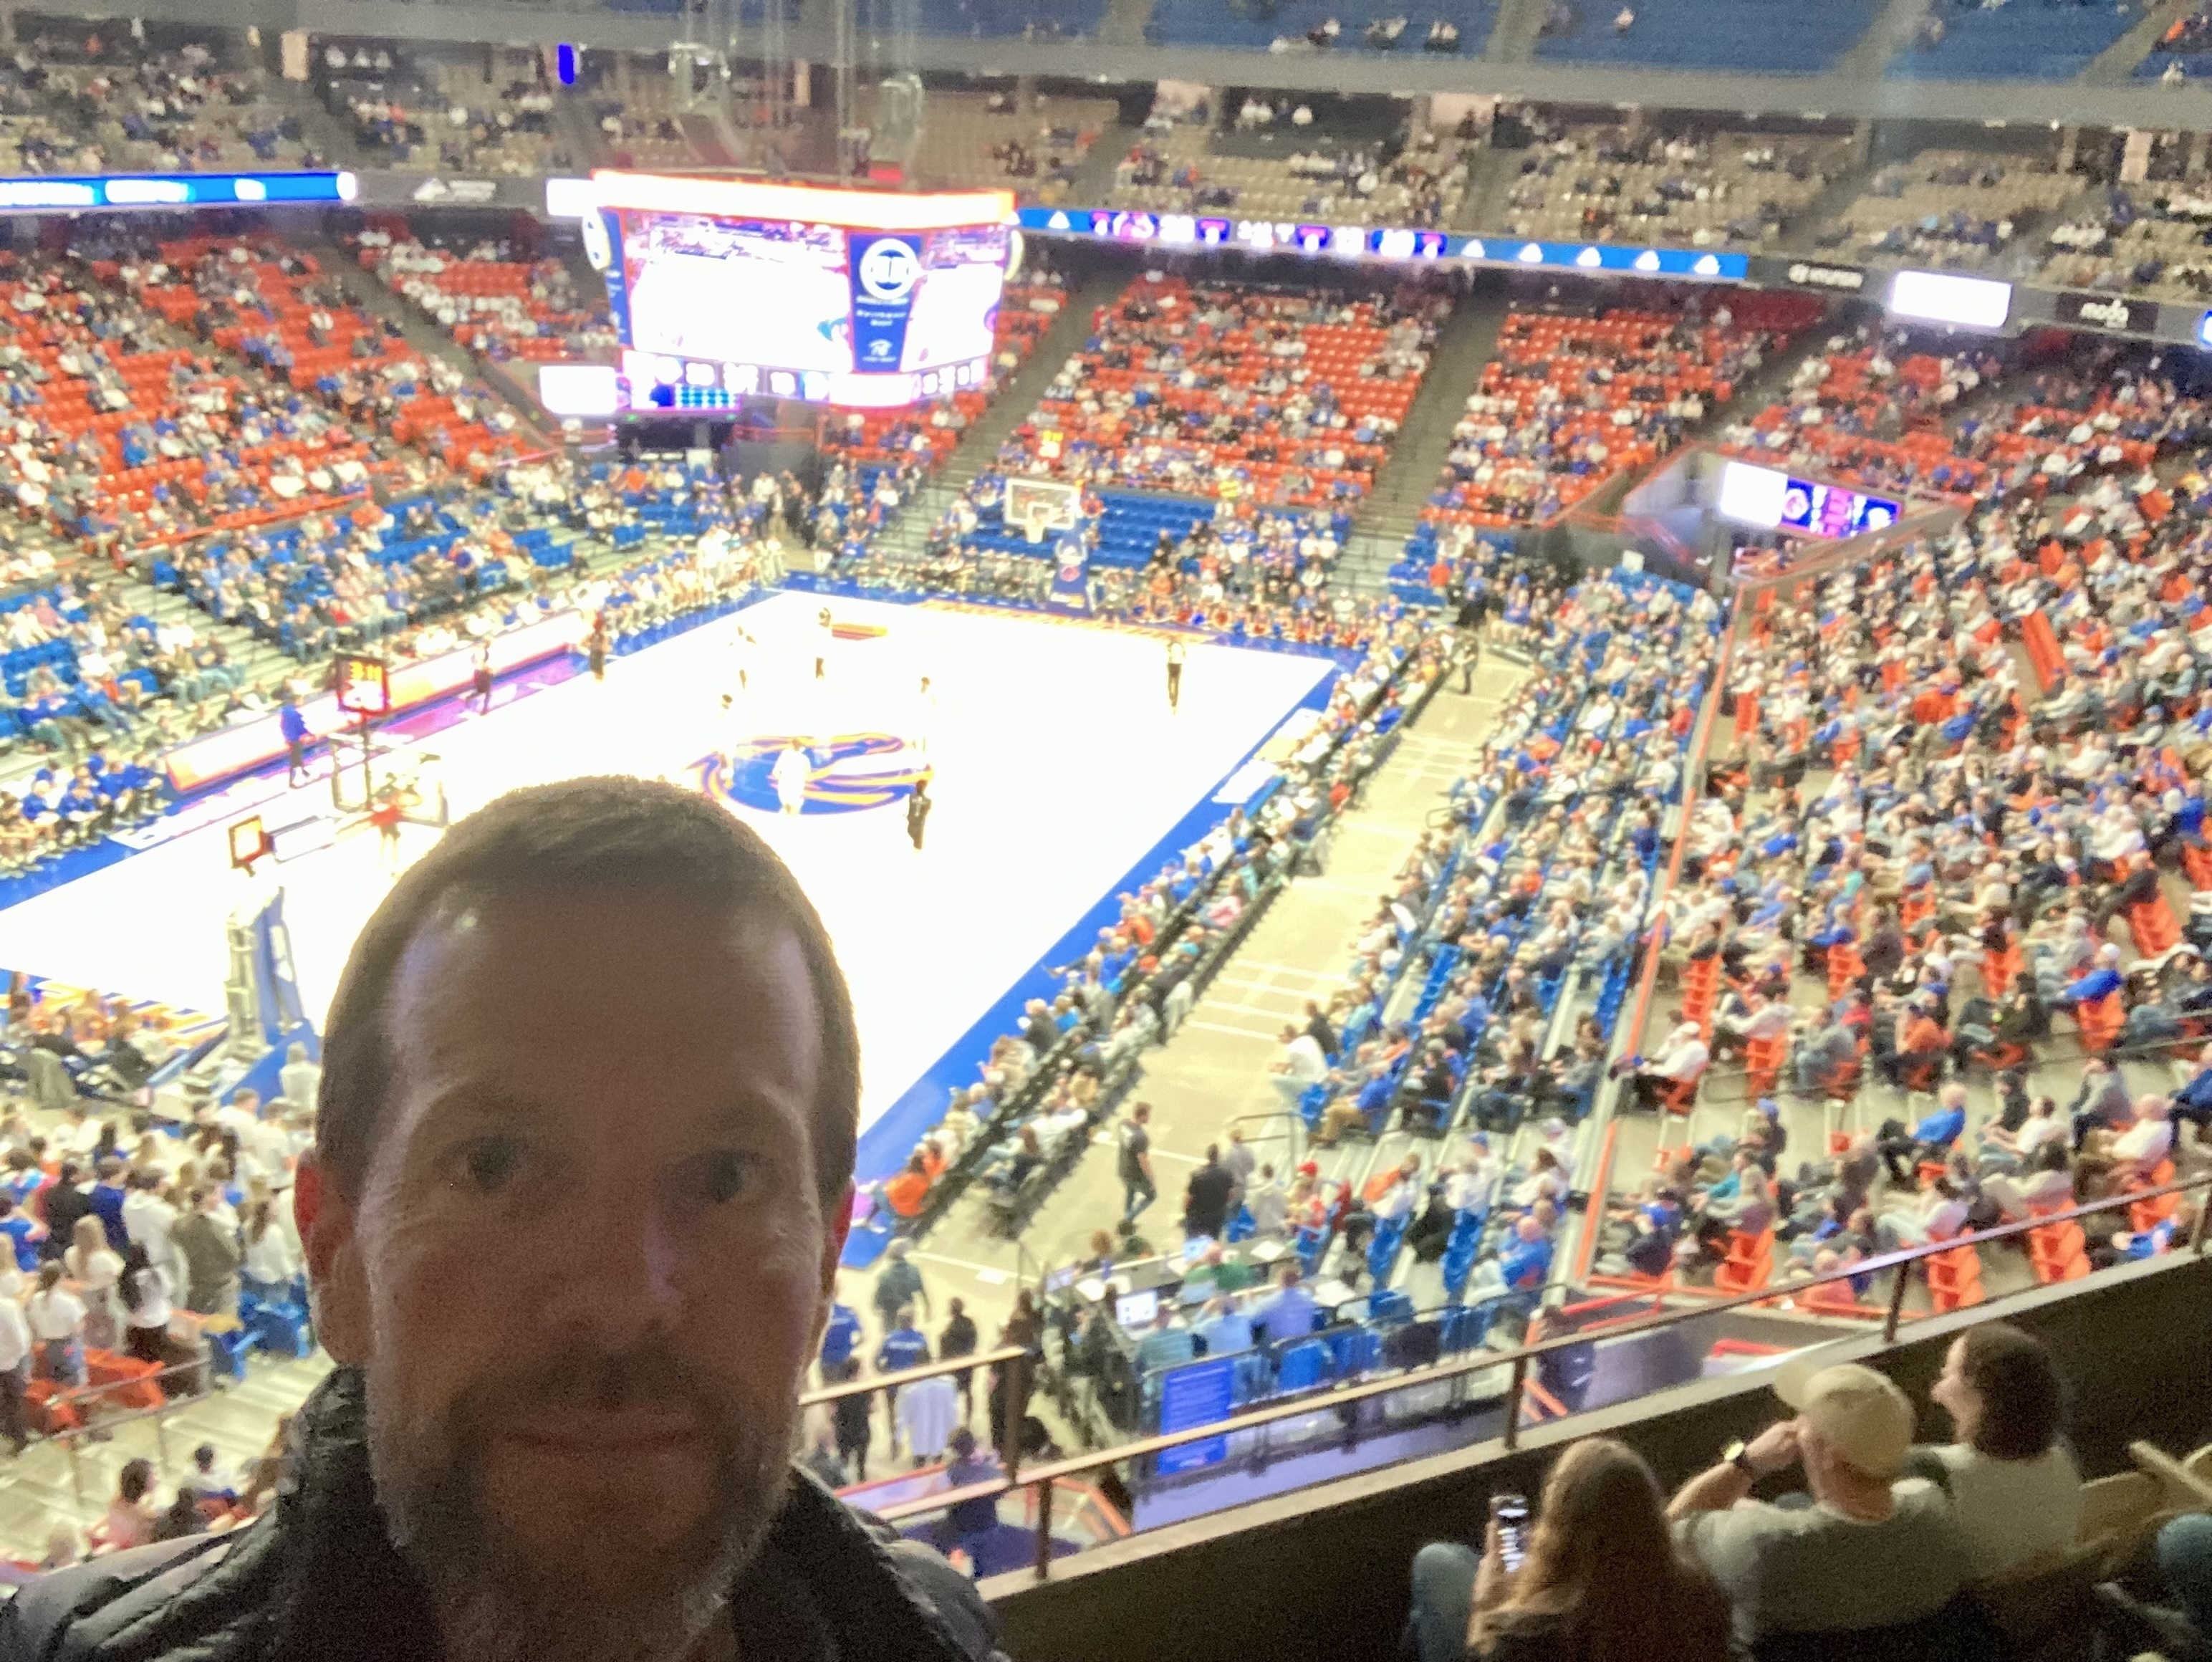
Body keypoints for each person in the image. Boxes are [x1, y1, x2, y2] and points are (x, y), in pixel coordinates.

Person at [3, 777, 1010, 1662]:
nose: (621, 1301)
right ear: (333, 1249)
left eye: (725, 1179)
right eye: (494, 1166)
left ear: (827, 1261)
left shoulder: (938, 1635)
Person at [1668, 1360, 1968, 1647]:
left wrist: (1746, 1463)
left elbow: (1667, 1534)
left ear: (1830, 1454)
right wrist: (1763, 1514)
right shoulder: (1932, 1507)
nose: (1795, 1423)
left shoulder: (1761, 1544)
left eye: (1806, 1418)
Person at [1403, 1438, 1732, 1662]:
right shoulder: (1702, 1597)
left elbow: (1491, 1648)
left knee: (1435, 1563)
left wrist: (1486, 1609)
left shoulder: (1527, 1638)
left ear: (1560, 1526)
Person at [1912, 1322, 2081, 1578]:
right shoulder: (2063, 1450)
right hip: (2061, 1592)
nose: (1936, 1393)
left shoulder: (1929, 1469)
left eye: (1948, 1375)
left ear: (1981, 1393)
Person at [874, 1236, 931, 1328]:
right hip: (908, 1312)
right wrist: (927, 1306)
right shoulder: (914, 1270)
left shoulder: (885, 1274)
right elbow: (922, 1290)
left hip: (890, 1312)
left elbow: (879, 1295)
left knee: (891, 1334)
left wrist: (876, 1306)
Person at [0, 1272, 28, 1454]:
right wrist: (20, 1357)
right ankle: (19, 1439)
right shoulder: (8, 1307)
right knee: (14, 1403)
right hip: (8, 1363)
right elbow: (20, 1339)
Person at [105, 1458, 158, 1552]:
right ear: (143, 1482)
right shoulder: (146, 1517)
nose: (156, 1479)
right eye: (153, 1475)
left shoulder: (115, 1502)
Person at [939, 1297, 979, 1423]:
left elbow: (945, 1349)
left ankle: (952, 1418)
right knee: (968, 1390)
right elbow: (973, 1342)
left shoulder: (950, 1330)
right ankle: (968, 1418)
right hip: (967, 1362)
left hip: (954, 1365)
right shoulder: (969, 1323)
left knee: (953, 1392)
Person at [1183, 1145, 1235, 1241]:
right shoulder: (1227, 1174)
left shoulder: (1197, 1175)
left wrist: (1186, 1211)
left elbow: (1189, 1198)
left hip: (1199, 1215)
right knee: (1213, 1239)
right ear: (1218, 1157)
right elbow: (1230, 1195)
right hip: (1217, 1214)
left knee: (1194, 1240)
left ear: (1208, 1156)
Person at [1118, 1102, 1157, 1221]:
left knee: (1131, 1191)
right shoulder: (1141, 1137)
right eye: (1148, 1115)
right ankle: (1127, 1220)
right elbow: (1143, 1160)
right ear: (1142, 1116)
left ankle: (1128, 1215)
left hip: (1123, 1168)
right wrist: (1151, 1178)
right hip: (1135, 1173)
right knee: (1151, 1195)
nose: (1149, 1117)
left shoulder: (1123, 1124)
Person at [773, 736, 812, 816]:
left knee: (787, 810)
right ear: (802, 747)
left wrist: (783, 779)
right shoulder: (805, 759)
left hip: (784, 787)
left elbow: (775, 773)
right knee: (793, 811)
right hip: (797, 788)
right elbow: (808, 777)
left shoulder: (784, 755)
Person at [280, 697, 309, 787]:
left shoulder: (286, 712)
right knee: (295, 761)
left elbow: (283, 726)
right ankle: (292, 782)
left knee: (296, 758)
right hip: (295, 739)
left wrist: (286, 738)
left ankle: (304, 772)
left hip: (291, 739)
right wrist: (309, 733)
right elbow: (300, 727)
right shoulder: (294, 714)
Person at [907, 775, 933, 853]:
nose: (920, 788)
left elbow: (925, 814)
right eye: (918, 786)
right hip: (910, 825)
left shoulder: (928, 801)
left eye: (922, 786)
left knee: (917, 848)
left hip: (918, 827)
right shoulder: (911, 797)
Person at [470, 642, 494, 716]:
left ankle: (484, 708)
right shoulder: (479, 656)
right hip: (481, 674)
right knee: (484, 691)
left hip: (482, 674)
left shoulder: (484, 654)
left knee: (486, 692)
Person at [1165, 638, 1186, 713]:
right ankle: (1174, 703)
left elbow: (1168, 648)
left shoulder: (1173, 644)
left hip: (1172, 664)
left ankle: (1173, 700)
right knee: (1176, 683)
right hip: (1177, 664)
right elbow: (1185, 655)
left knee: (1171, 682)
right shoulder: (1180, 645)